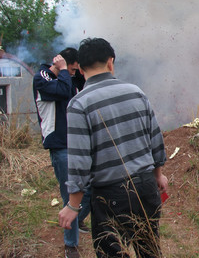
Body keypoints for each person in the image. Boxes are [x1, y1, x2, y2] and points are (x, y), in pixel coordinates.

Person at [58, 38, 168, 258]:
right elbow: (155, 139)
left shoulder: (79, 104)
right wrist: (158, 175)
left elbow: (80, 161)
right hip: (146, 188)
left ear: (80, 68)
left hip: (110, 195)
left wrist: (73, 205)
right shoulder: (136, 92)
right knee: (149, 251)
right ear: (111, 62)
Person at [33, 48, 91, 258]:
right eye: (71, 69)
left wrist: (82, 74)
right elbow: (63, 91)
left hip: (79, 142)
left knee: (91, 189)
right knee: (70, 194)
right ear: (60, 65)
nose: (73, 74)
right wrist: (64, 70)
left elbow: (83, 92)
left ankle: (77, 219)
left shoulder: (70, 79)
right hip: (60, 145)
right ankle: (70, 245)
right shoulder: (42, 78)